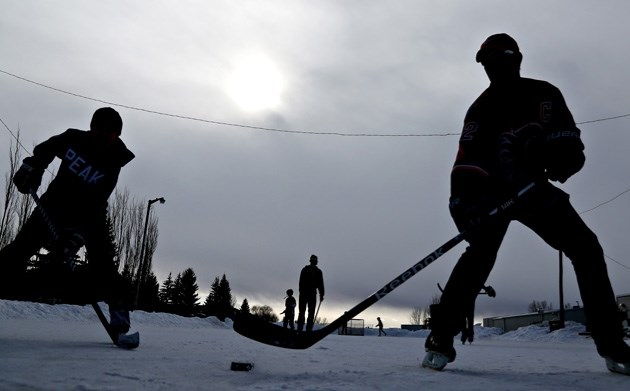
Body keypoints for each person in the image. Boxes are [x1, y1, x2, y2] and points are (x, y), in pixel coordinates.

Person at [422, 34, 630, 375]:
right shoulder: (481, 107)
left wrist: (565, 160)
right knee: (479, 255)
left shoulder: (544, 93)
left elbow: (568, 139)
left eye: (495, 59)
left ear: (515, 58)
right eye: (484, 62)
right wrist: (462, 206)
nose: (490, 67)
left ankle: (611, 343)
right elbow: (466, 159)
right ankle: (440, 338)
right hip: (489, 195)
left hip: (533, 190)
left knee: (586, 248)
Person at [0, 107, 135, 335]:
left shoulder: (113, 162)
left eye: (109, 131)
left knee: (102, 264)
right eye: (98, 129)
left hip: (90, 217)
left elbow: (96, 204)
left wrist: (75, 238)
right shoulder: (74, 139)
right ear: (91, 128)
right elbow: (47, 148)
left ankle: (120, 309)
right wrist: (33, 166)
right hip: (53, 207)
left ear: (116, 135)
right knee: (18, 250)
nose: (102, 134)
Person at [297, 254, 325, 332]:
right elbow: (301, 282)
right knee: (304, 311)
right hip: (306, 293)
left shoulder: (318, 271)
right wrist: (321, 294)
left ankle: (307, 329)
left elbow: (320, 284)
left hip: (310, 293)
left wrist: (321, 294)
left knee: (309, 312)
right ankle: (301, 328)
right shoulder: (306, 270)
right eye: (313, 261)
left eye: (314, 261)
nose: (314, 262)